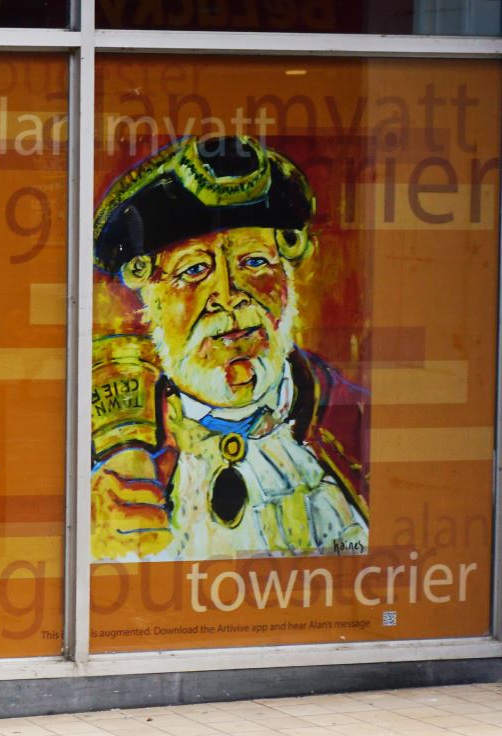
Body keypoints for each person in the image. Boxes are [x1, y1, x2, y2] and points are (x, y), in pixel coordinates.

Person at [91, 135, 367, 562]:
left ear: (287, 277)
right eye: (195, 270)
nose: (228, 295)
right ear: (151, 301)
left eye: (254, 262)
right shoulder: (118, 463)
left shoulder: (358, 427)